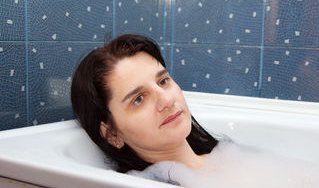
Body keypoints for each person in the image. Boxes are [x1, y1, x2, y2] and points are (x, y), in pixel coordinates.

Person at [71, 34, 218, 175]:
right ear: (112, 134)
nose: (167, 99)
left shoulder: (229, 159)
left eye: (163, 81)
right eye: (138, 99)